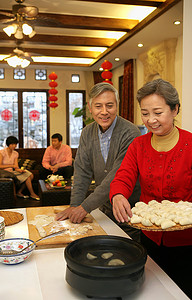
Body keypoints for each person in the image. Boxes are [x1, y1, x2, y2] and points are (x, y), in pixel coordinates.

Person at [109, 79, 192, 299]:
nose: (151, 120)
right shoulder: (139, 144)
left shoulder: (190, 144)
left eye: (157, 112)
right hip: (149, 236)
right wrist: (118, 194)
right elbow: (124, 176)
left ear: (175, 110)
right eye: (145, 113)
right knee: (152, 291)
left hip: (186, 241)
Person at [55, 82, 141, 239]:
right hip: (104, 211)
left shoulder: (131, 133)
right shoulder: (87, 132)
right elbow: (82, 173)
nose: (104, 112)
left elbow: (116, 176)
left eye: (109, 105)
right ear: (90, 107)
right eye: (98, 106)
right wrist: (75, 206)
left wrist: (84, 207)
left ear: (117, 105)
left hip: (130, 212)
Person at [0, 136, 40, 200]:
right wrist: (11, 165)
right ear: (8, 144)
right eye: (12, 144)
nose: (14, 146)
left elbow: (16, 167)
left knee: (30, 175)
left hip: (11, 172)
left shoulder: (15, 153)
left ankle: (19, 192)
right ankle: (32, 193)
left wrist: (20, 170)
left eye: (15, 144)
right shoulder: (2, 152)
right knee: (28, 176)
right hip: (3, 172)